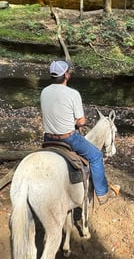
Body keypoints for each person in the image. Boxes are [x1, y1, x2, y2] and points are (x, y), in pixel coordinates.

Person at [40, 59, 120, 204]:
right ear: (66, 75)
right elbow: (81, 121)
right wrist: (74, 122)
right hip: (67, 139)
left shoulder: (44, 92)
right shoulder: (73, 93)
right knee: (96, 156)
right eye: (68, 72)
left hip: (47, 139)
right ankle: (102, 194)